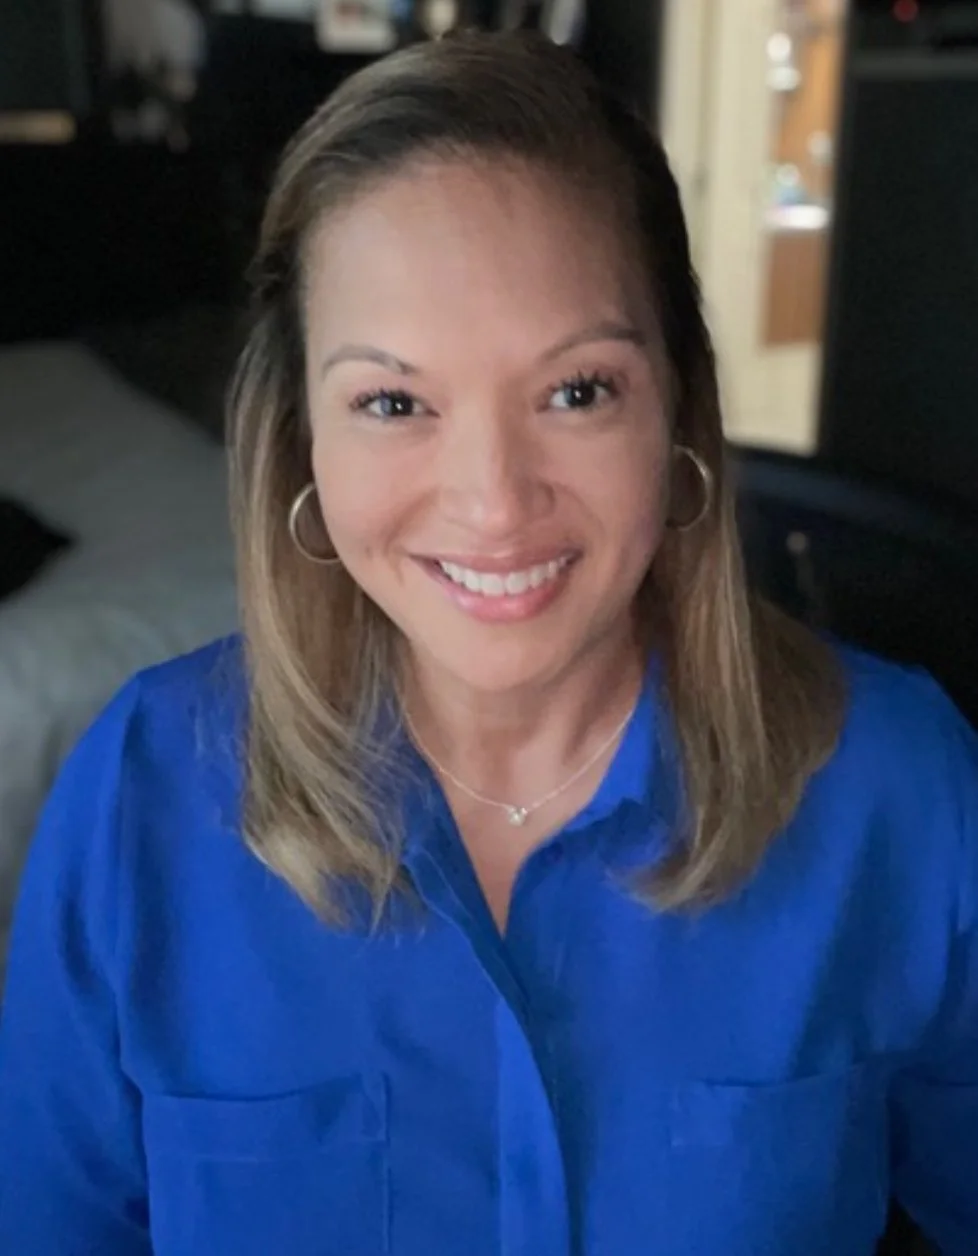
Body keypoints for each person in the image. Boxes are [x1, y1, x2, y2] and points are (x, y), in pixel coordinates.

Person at [0, 30, 975, 1256]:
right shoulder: (135, 795)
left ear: (677, 398)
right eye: (394, 403)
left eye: (577, 390)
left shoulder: (900, 784)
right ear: (304, 433)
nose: (494, 501)